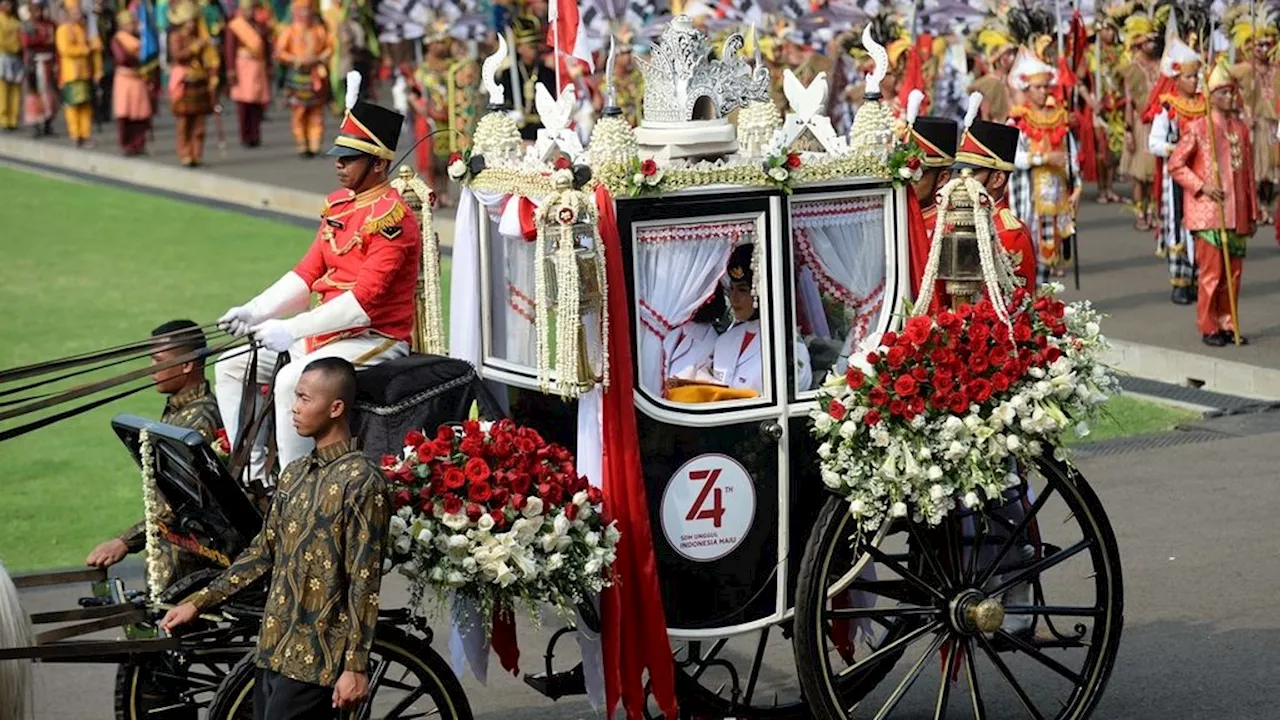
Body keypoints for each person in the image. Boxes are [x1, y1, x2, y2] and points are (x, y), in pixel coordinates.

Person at [161, 357, 391, 719]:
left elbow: (365, 580)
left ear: (335, 408)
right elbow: (262, 552)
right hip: (272, 651)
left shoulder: (362, 481)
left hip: (319, 660)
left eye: (304, 399)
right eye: (295, 397)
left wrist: (356, 667)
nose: (294, 408)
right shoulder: (295, 473)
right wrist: (199, 602)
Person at [214, 96, 419, 477]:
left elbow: (363, 304)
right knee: (230, 365)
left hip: (374, 337)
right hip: (326, 335)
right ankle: (251, 476)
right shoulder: (340, 207)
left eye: (349, 158)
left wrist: (289, 328)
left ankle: (292, 487)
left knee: (294, 381)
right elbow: (307, 273)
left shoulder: (393, 220)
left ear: (378, 163)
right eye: (338, 156)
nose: (338, 164)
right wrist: (255, 310)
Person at [85, 321, 225, 587]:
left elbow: (182, 498)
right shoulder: (181, 411)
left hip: (189, 566)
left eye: (158, 361)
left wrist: (125, 541)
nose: (152, 369)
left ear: (187, 364)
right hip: (172, 558)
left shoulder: (199, 421)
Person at [1168, 61, 1257, 347]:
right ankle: (1209, 326)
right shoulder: (1198, 127)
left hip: (1238, 213)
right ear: (1212, 95)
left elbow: (1249, 175)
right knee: (1212, 274)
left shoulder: (1241, 129)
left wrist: (1253, 212)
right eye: (1225, 93)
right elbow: (1175, 165)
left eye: (1232, 92)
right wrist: (1202, 186)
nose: (1231, 97)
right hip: (1209, 213)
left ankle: (1228, 323)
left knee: (1234, 275)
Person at [1007, 50, 1082, 284]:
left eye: (1045, 86)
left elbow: (1071, 157)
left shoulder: (1059, 118)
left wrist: (1077, 187)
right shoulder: (1017, 121)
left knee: (1049, 251)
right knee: (1028, 247)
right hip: (1029, 198)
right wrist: (1043, 159)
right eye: (1037, 87)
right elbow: (1014, 159)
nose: (1043, 92)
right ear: (1027, 89)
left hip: (1055, 196)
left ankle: (1043, 300)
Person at [1146, 27, 1206, 305]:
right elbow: (1154, 143)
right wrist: (1179, 149)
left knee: (1203, 226)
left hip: (1203, 176)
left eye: (1196, 75)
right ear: (1177, 78)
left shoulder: (1205, 106)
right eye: (1189, 76)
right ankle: (1180, 281)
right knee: (1178, 226)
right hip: (1177, 181)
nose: (1195, 81)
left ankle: (1200, 277)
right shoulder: (1168, 109)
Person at [954, 111, 1039, 292]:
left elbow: (1013, 303)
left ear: (997, 179)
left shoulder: (1008, 235)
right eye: (960, 173)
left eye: (973, 173)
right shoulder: (952, 219)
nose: (962, 181)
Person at [902, 88, 958, 310]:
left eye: (919, 174)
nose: (909, 179)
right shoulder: (895, 212)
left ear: (943, 178)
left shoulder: (953, 226)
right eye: (906, 170)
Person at [1229, 10, 1279, 225]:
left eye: (1268, 44)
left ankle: (1267, 205)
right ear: (1250, 45)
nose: (1264, 50)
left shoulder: (1276, 69)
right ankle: (1256, 207)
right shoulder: (1242, 70)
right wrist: (1240, 111)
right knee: (1256, 171)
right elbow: (1224, 87)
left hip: (1274, 124)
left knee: (1272, 172)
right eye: (1260, 45)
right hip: (1254, 123)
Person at [275, 0, 330, 157]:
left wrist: (320, 58)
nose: (305, 14)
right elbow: (279, 51)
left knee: (317, 110)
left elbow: (329, 46)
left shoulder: (318, 30)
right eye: (301, 10)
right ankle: (301, 143)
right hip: (297, 75)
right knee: (299, 111)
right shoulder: (290, 31)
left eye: (307, 10)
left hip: (315, 75)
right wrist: (295, 60)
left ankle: (315, 143)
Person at [1121, 12, 1160, 230]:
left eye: (1155, 40)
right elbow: (1128, 102)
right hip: (1139, 124)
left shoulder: (1160, 64)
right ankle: (1140, 213)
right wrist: (1128, 131)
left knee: (1155, 174)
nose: (1152, 44)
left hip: (1158, 123)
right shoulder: (1132, 68)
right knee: (1139, 175)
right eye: (1148, 40)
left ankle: (1154, 211)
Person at [167, 1, 215, 166]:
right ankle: (185, 153)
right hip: (184, 81)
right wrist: (194, 48)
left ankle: (197, 153)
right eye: (188, 21)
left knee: (200, 122)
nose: (191, 24)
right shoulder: (176, 37)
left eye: (193, 20)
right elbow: (178, 56)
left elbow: (208, 58)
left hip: (200, 80)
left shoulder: (199, 36)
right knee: (184, 122)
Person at [224, 0, 271, 148]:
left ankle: (255, 135)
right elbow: (229, 49)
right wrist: (231, 70)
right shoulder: (236, 26)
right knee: (243, 104)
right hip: (242, 67)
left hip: (257, 67)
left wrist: (269, 65)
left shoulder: (260, 25)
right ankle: (245, 135)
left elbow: (266, 47)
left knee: (257, 103)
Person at [500, 13, 554, 141]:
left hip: (542, 130)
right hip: (517, 132)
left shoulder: (547, 74)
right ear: (519, 48)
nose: (535, 50)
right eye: (531, 47)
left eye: (536, 47)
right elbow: (504, 103)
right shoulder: (508, 74)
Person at [54, 3, 98, 146]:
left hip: (84, 73)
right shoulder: (62, 29)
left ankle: (86, 134)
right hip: (71, 74)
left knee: (85, 104)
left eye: (78, 12)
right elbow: (64, 50)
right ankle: (75, 134)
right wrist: (84, 50)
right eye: (74, 12)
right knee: (73, 105)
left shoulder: (82, 28)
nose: (78, 15)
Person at [110, 7, 152, 155]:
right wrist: (136, 58)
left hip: (138, 78)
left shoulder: (141, 38)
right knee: (125, 114)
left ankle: (139, 143)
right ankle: (127, 144)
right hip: (125, 78)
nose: (133, 26)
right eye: (129, 24)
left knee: (140, 113)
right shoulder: (118, 39)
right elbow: (122, 58)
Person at [19, 0, 57, 137]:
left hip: (48, 63)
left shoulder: (50, 24)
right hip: (33, 63)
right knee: (33, 94)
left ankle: (48, 123)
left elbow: (54, 43)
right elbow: (26, 42)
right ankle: (35, 125)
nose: (38, 12)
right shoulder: (27, 25)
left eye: (40, 9)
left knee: (49, 94)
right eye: (35, 10)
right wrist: (43, 40)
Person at [969, 24, 1016, 123]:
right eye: (1009, 54)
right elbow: (985, 116)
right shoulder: (989, 83)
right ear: (1001, 59)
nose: (1013, 58)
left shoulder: (1013, 79)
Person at [0, 0, 21, 131]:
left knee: (15, 88)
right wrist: (15, 47)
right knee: (3, 89)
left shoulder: (15, 20)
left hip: (16, 57)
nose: (8, 6)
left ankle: (13, 119)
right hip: (4, 56)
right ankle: (3, 119)